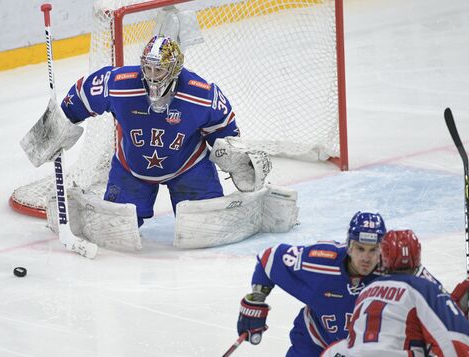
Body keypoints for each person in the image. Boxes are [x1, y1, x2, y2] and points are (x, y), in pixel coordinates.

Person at [21, 35, 298, 250]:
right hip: (132, 170)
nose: (152, 76)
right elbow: (80, 96)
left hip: (189, 169)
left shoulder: (203, 96)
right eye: (148, 68)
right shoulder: (118, 83)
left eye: (159, 70)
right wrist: (55, 127)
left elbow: (226, 136)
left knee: (208, 227)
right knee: (113, 230)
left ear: (175, 69)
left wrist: (236, 159)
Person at [235, 213, 469, 356]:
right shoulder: (319, 261)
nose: (366, 258)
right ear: (349, 245)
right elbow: (268, 259)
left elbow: (436, 311)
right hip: (312, 344)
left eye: (373, 250)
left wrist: (458, 303)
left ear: (383, 249)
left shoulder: (398, 273)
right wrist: (257, 299)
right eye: (360, 249)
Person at [321, 229, 469, 356]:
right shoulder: (424, 288)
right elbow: (452, 339)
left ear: (383, 258)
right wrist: (454, 310)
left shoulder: (366, 292)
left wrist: (453, 306)